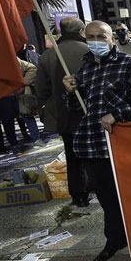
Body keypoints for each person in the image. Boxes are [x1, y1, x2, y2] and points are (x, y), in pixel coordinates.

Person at [63, 21, 131, 261]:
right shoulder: (84, 70)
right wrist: (71, 93)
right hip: (93, 146)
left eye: (101, 36)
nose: (96, 41)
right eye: (91, 37)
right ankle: (116, 239)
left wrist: (117, 114)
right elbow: (78, 109)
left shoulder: (130, 64)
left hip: (123, 146)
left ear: (112, 39)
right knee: (107, 199)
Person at [36, 17, 91, 207]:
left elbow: (41, 89)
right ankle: (95, 186)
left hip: (63, 114)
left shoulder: (47, 56)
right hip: (90, 110)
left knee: (72, 155)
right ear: (81, 31)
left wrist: (46, 106)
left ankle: (79, 195)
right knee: (95, 152)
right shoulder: (89, 51)